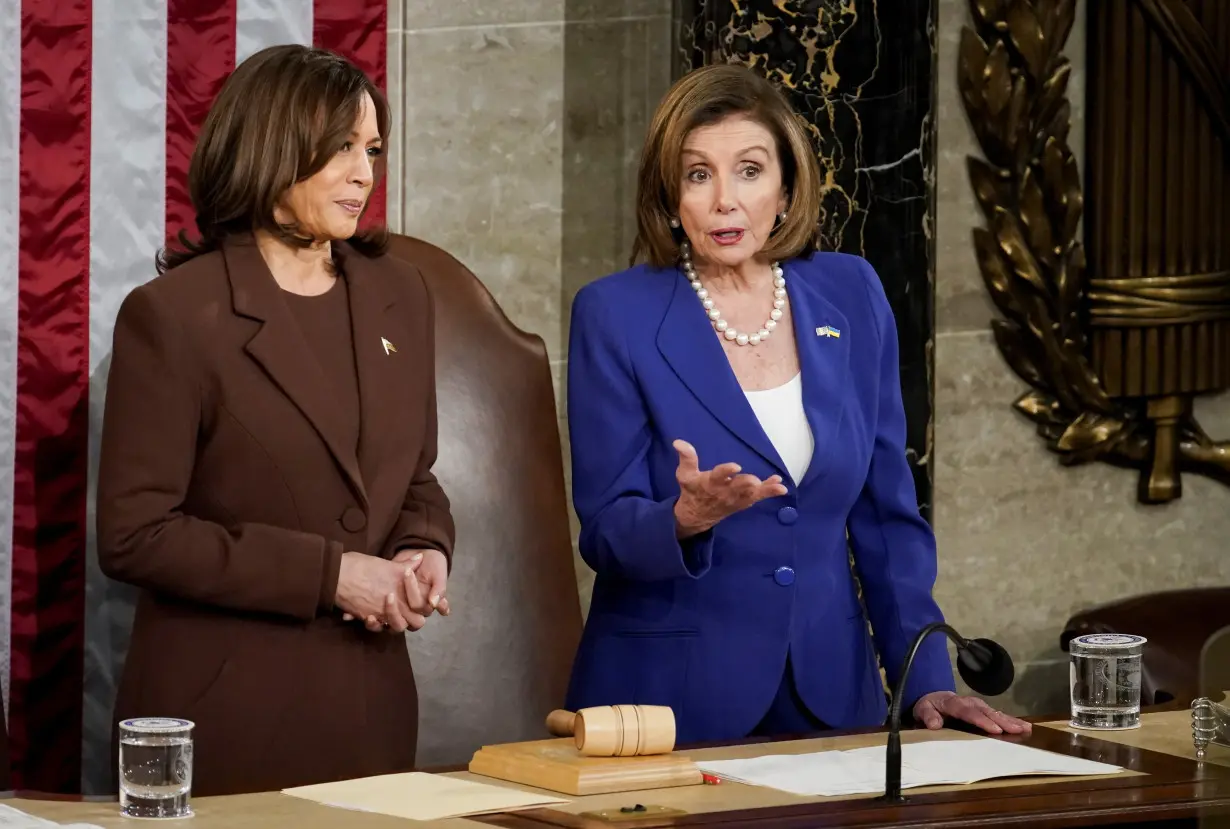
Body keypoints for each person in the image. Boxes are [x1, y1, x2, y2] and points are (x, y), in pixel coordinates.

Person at [563, 64, 1031, 744]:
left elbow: (886, 516)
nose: (726, 200)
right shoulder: (616, 313)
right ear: (669, 195)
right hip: (666, 705)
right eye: (698, 175)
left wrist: (925, 675)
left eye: (749, 170)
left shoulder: (852, 292)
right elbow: (604, 530)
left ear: (786, 186)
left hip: (831, 698)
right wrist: (682, 518)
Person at [96, 44, 455, 795]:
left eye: (373, 149)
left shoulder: (403, 295)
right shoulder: (173, 316)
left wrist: (425, 545)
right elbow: (135, 534)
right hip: (231, 715)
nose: (365, 172)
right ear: (271, 147)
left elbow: (412, 474)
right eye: (342, 148)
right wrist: (331, 575)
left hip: (372, 713)